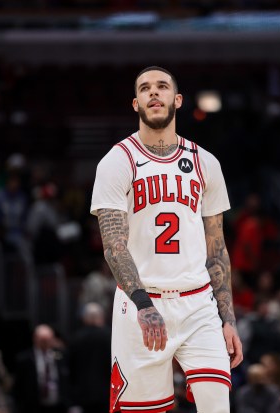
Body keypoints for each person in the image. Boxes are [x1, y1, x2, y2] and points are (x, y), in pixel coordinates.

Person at [90, 66, 243, 413]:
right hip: (140, 304)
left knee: (217, 404)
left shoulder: (206, 163)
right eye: (145, 89)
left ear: (177, 100)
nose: (153, 93)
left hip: (198, 304)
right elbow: (114, 246)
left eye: (161, 87)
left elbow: (217, 250)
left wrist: (228, 320)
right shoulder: (117, 162)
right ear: (135, 103)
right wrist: (145, 305)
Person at [12, 324, 69, 413]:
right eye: (43, 340)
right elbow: (18, 386)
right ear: (35, 339)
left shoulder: (61, 355)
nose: (45, 343)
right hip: (33, 406)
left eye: (48, 340)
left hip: (59, 405)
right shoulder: (24, 359)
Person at [68, 302, 112, 413]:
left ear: (84, 319)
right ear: (102, 317)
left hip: (83, 393)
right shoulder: (110, 336)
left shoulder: (76, 338)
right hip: (107, 393)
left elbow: (70, 368)